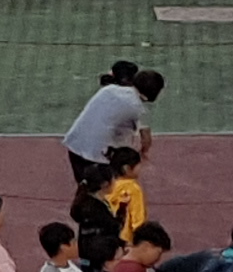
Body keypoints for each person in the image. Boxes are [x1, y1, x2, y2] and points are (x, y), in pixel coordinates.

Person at [64, 63, 161, 200]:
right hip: (97, 155)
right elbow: (146, 139)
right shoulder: (138, 108)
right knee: (104, 192)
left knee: (86, 186)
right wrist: (143, 153)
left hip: (75, 144)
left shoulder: (109, 90)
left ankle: (81, 207)